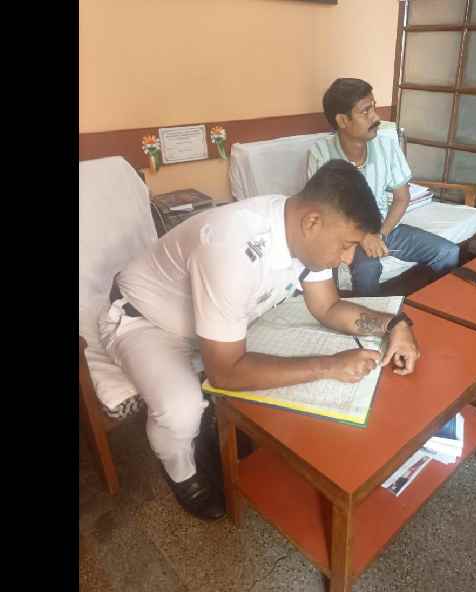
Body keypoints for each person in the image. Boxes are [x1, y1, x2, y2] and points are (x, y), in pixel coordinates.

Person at [98, 160, 422, 520]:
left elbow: (327, 306)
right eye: (347, 245)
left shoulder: (303, 231)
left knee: (288, 363)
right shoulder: (232, 247)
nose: (347, 259)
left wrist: (396, 324)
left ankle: (215, 424)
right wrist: (328, 366)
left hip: (210, 323)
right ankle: (182, 472)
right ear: (313, 221)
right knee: (181, 411)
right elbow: (225, 371)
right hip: (147, 323)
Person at [307, 78, 460, 295]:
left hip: (383, 227)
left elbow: (401, 197)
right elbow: (324, 212)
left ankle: (434, 310)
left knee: (448, 252)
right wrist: (362, 237)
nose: (376, 117)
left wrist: (380, 233)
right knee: (368, 267)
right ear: (342, 120)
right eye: (366, 111)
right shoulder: (321, 153)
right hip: (345, 233)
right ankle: (368, 325)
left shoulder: (386, 146)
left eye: (374, 108)